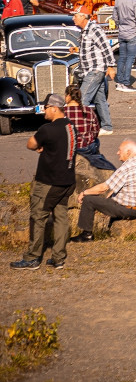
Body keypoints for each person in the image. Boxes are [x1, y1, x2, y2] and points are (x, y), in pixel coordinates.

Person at [10, 94, 76, 270]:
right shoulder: (71, 126)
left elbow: (30, 143)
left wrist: (41, 145)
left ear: (54, 108)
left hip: (49, 181)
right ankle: (58, 257)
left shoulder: (48, 129)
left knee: (38, 216)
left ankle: (32, 257)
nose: (43, 111)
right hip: (67, 179)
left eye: (45, 107)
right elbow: (58, 145)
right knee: (61, 217)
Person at [72, 139, 136, 243]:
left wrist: (84, 192)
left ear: (128, 152)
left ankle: (86, 235)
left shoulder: (126, 168)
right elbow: (116, 187)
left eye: (120, 150)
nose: (117, 152)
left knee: (89, 200)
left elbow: (104, 188)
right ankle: (108, 227)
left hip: (130, 210)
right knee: (110, 199)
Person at [76, 9, 116, 136]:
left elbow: (106, 47)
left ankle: (81, 129)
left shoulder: (94, 29)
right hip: (90, 70)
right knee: (100, 100)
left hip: (95, 70)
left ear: (83, 17)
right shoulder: (85, 31)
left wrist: (110, 66)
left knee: (82, 99)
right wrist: (76, 49)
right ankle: (107, 127)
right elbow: (91, 48)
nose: (73, 19)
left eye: (75, 16)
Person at [64, 86, 114, 171]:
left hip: (67, 149)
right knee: (96, 141)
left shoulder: (63, 112)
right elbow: (96, 131)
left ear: (68, 96)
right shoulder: (88, 110)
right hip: (85, 148)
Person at [113, 0, 136, 93]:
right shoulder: (135, 2)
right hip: (132, 32)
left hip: (122, 32)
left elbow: (115, 17)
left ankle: (119, 80)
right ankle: (126, 82)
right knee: (130, 58)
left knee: (122, 58)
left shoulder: (118, 1)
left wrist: (120, 24)